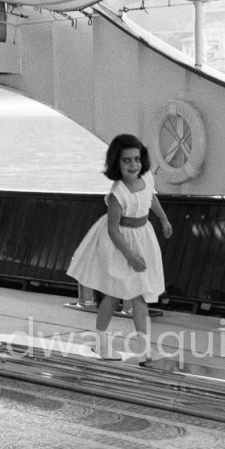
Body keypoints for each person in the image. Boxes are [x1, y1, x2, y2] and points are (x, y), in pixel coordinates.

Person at [66, 134, 172, 362]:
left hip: (142, 237)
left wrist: (163, 219)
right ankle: (102, 344)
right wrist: (131, 256)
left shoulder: (146, 177)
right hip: (121, 245)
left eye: (136, 159)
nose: (133, 165)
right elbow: (113, 230)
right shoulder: (118, 193)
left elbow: (152, 199)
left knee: (139, 296)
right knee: (113, 295)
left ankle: (144, 349)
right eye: (126, 161)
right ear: (117, 163)